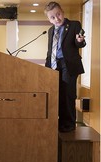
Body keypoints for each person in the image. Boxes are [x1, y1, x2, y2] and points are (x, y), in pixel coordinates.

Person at [44, 2, 86, 133]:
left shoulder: (74, 25)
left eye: (58, 14)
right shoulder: (51, 31)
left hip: (68, 64)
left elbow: (79, 42)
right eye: (52, 17)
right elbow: (50, 51)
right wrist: (46, 68)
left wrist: (80, 41)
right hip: (54, 65)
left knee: (67, 94)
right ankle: (59, 122)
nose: (57, 19)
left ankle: (68, 124)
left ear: (62, 11)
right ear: (49, 19)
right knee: (57, 93)